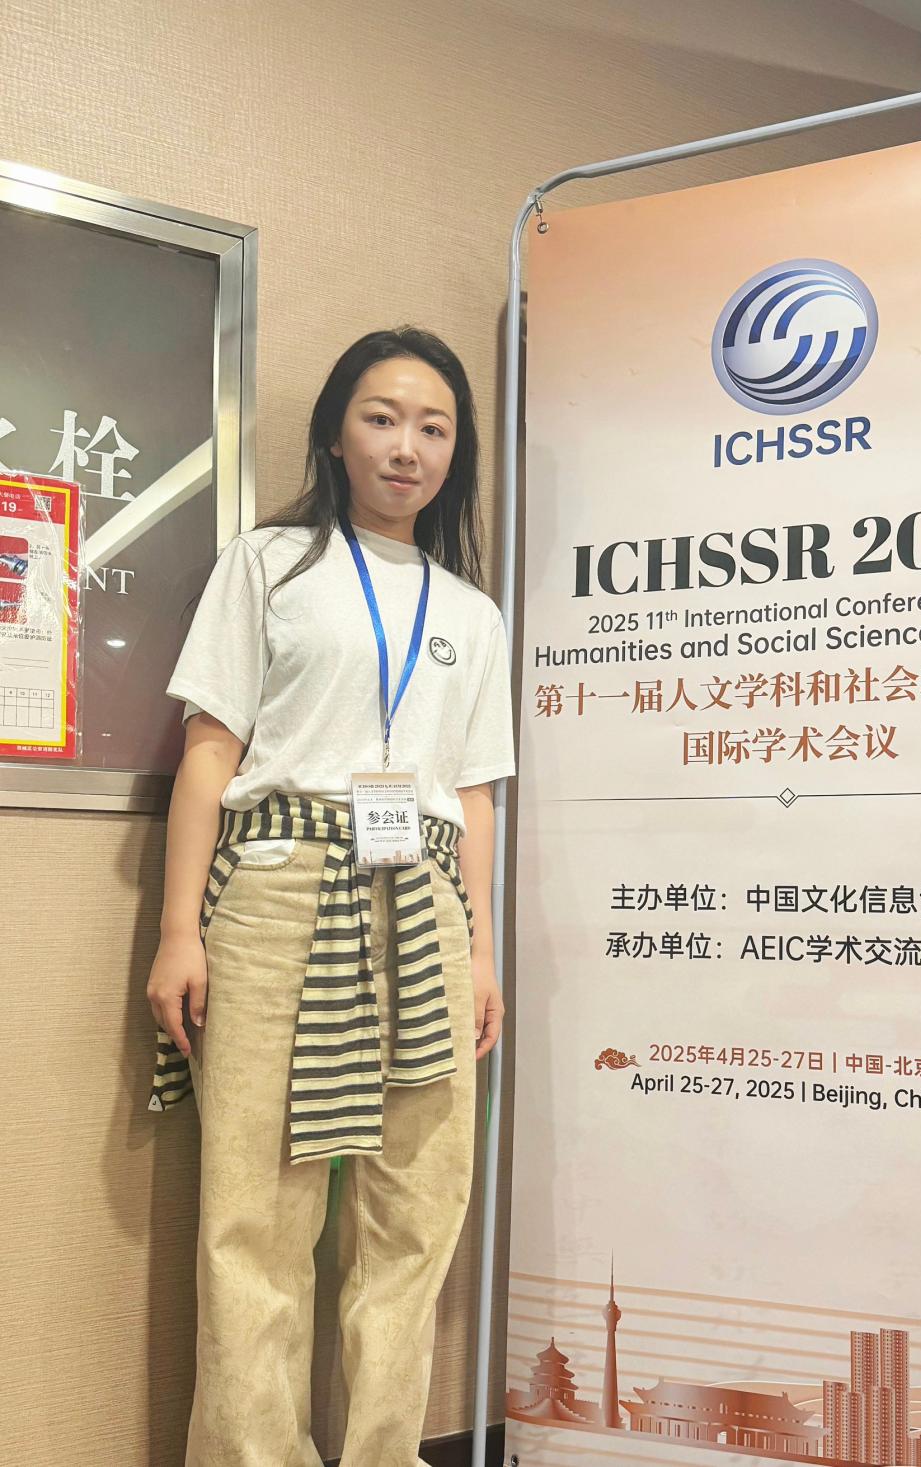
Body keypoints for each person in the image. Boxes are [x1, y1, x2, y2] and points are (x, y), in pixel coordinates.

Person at [145, 326, 516, 1467]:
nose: (407, 447)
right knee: (256, 1215)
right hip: (277, 893)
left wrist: (482, 951)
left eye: (434, 428)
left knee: (415, 1218)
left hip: (427, 905)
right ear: (335, 435)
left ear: (454, 453)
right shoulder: (269, 565)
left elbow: (473, 796)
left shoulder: (473, 613)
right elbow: (210, 751)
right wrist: (177, 932)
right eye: (382, 418)